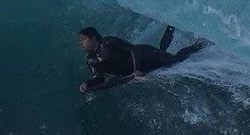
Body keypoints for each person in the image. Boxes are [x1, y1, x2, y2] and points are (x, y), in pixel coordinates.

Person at [79, 24, 207, 92]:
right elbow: (99, 78)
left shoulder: (108, 42)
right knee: (163, 53)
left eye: (83, 39)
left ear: (93, 38)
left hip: (144, 55)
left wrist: (137, 69)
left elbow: (132, 49)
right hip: (142, 68)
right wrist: (87, 84)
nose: (81, 43)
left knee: (175, 60)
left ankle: (201, 44)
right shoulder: (91, 61)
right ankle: (171, 26)